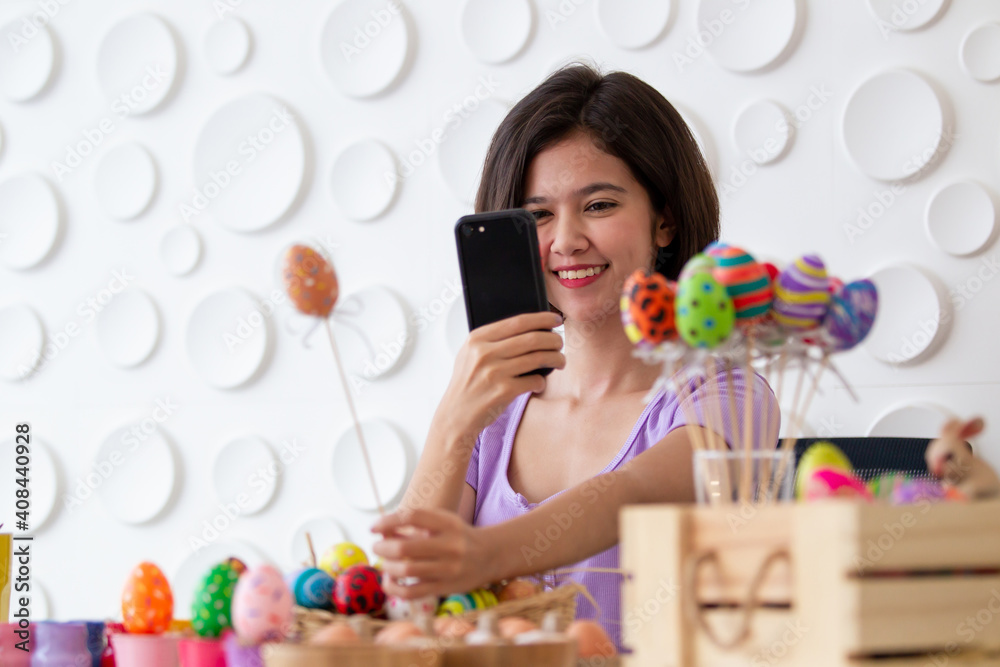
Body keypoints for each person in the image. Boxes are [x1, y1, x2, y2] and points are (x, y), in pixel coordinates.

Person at [371, 62, 779, 651]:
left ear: (664, 221)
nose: (565, 240)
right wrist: (453, 421)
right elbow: (405, 603)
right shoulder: (494, 415)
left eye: (599, 205)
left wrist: (482, 555)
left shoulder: (726, 397)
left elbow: (633, 493)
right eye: (538, 215)